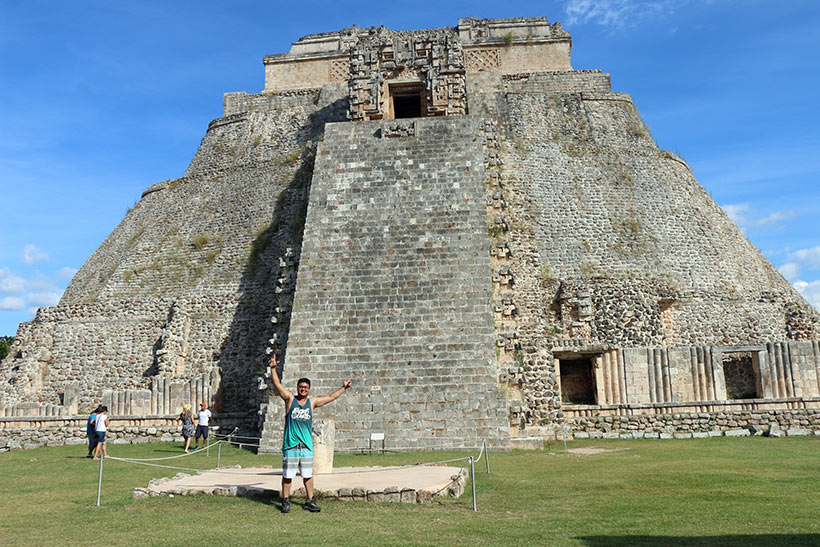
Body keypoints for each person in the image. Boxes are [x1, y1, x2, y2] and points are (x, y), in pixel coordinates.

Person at [268, 353, 352, 514]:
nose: (303, 389)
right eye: (301, 387)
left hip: (306, 445)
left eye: (306, 387)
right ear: (297, 388)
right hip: (291, 445)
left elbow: (329, 398)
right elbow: (277, 384)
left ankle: (310, 500)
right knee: (287, 475)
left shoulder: (311, 403)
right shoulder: (289, 400)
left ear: (309, 389)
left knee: (308, 475)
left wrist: (343, 388)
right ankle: (285, 501)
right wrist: (273, 368)